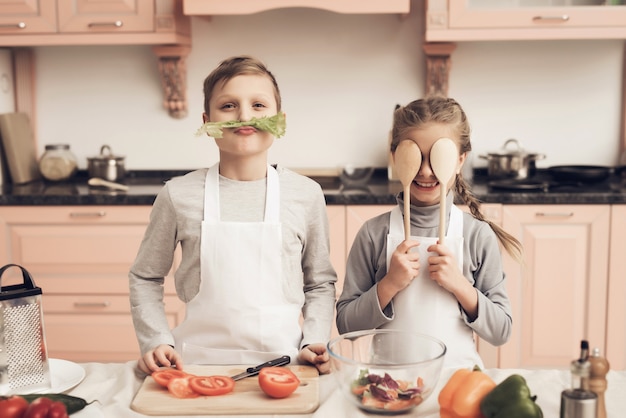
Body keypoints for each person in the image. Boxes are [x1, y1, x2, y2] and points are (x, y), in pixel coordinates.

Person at [129, 56, 336, 375]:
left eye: (258, 105)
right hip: (195, 366)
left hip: (286, 366)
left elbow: (320, 282)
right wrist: (156, 340)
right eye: (228, 106)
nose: (244, 116)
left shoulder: (306, 195)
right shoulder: (178, 195)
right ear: (207, 119)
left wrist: (315, 340)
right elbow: (145, 276)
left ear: (280, 119)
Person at [335, 96, 522, 369]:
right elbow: (346, 326)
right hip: (391, 386)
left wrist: (460, 285)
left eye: (438, 157)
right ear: (395, 157)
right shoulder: (373, 233)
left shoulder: (476, 236)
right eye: (416, 156)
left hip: (458, 386)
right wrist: (389, 284)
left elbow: (501, 331)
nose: (424, 171)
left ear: (459, 160)